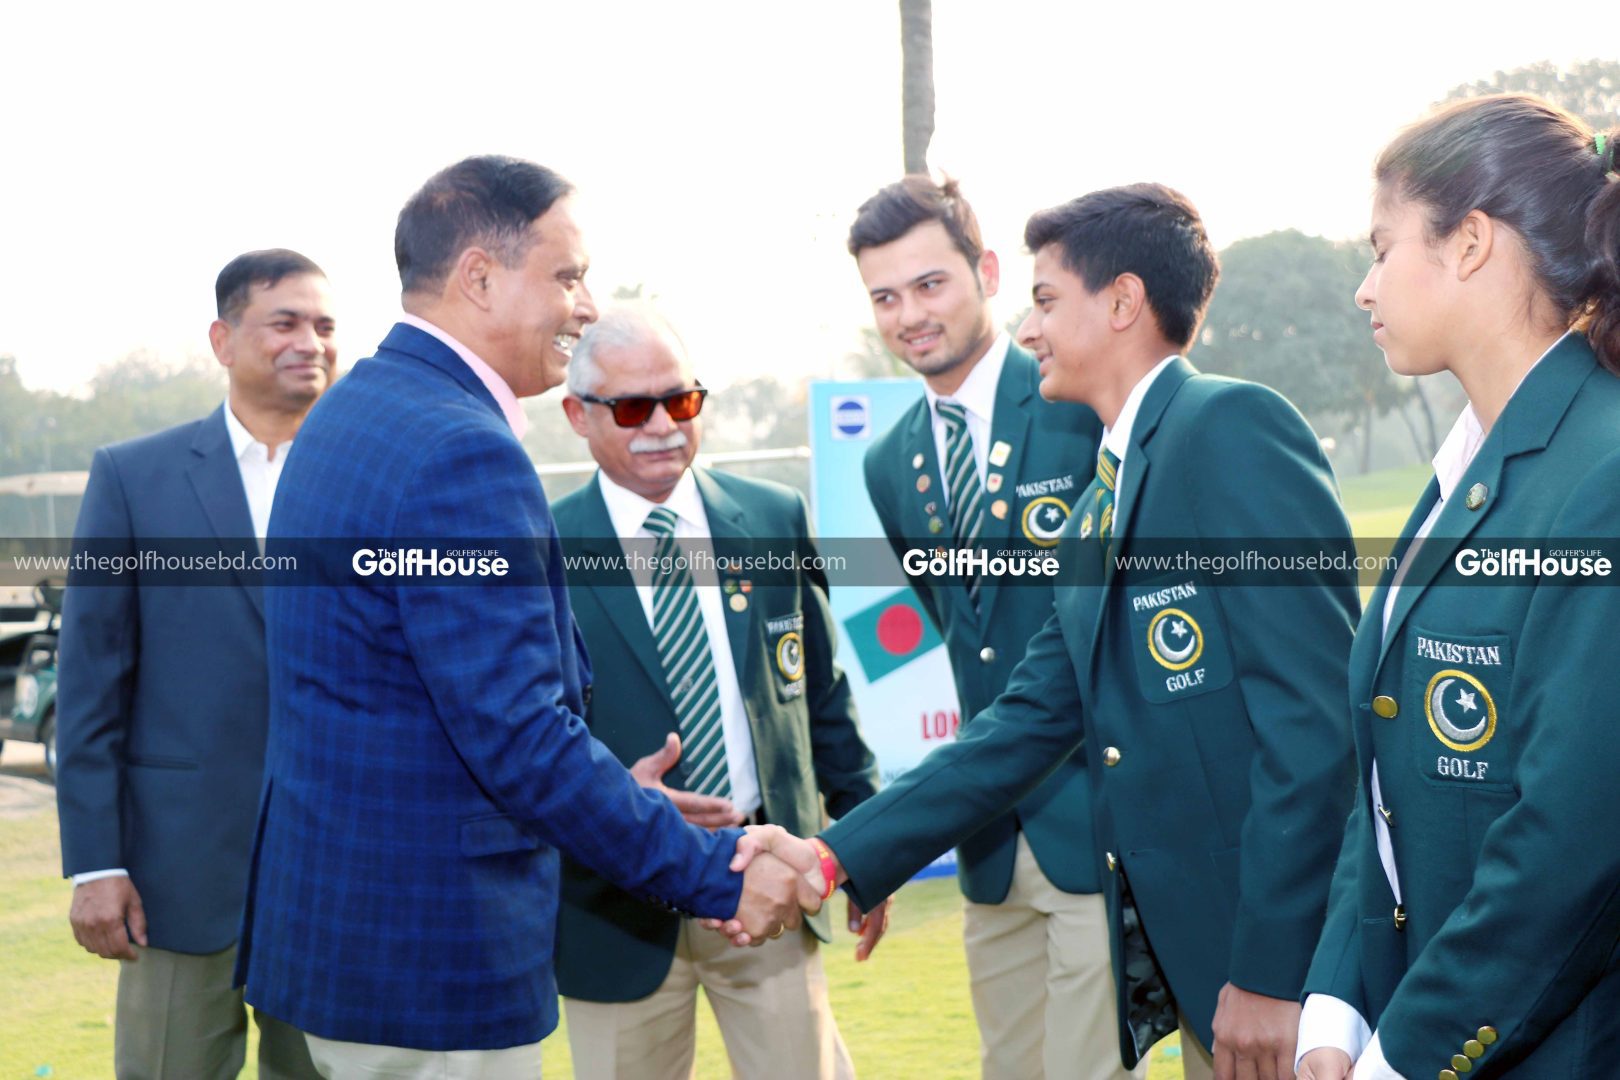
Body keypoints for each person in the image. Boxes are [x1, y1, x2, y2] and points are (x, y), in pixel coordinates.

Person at [730, 183, 1359, 1080]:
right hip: (1186, 945)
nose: (1030, 329)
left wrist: (1267, 970)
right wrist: (836, 855)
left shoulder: (1228, 427)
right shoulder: (1109, 488)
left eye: (1047, 300)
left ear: (1123, 303)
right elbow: (1028, 713)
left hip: (1259, 952)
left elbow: (1315, 724)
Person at [234, 156, 818, 1079]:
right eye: (568, 275)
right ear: (479, 277)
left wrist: (621, 801)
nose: (585, 306)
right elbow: (516, 735)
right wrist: (713, 869)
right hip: (432, 963)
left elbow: (425, 705)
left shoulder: (355, 415)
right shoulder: (459, 451)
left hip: (359, 947)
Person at [1295, 96, 1620, 1080]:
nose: (1364, 287)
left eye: (1383, 245)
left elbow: (1571, 843)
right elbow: (1388, 776)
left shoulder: (1600, 474)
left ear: (1471, 242)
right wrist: (1334, 1012)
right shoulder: (1467, 465)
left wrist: (1402, 1056)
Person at [847, 176, 1132, 1079]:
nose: (909, 316)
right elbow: (965, 637)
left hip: (1096, 826)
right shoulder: (888, 462)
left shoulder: (1077, 403)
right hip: (988, 846)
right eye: (885, 297)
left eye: (930, 284)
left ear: (988, 273)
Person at [551, 305, 882, 1080]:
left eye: (682, 399)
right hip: (612, 904)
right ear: (577, 415)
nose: (663, 424)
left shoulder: (770, 519)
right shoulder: (541, 547)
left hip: (763, 880)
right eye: (633, 407)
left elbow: (819, 695)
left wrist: (869, 846)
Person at [56, 249, 336, 1079]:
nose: (309, 342)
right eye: (284, 321)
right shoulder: (134, 478)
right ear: (223, 339)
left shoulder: (377, 478)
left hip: (335, 873)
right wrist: (97, 863)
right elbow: (91, 685)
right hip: (176, 875)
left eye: (325, 325)